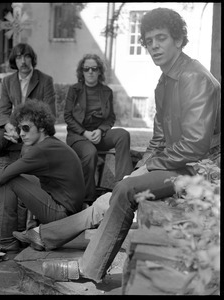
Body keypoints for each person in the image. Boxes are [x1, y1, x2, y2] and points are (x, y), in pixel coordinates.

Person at [31, 7, 221, 282]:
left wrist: (147, 169)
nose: (153, 46)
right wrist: (140, 168)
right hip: (180, 164)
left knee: (127, 189)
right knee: (125, 184)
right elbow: (158, 140)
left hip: (201, 170)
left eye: (161, 38)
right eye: (148, 40)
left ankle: (88, 268)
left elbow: (195, 146)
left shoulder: (194, 78)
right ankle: (50, 238)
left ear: (179, 40)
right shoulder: (164, 82)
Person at [0, 99, 85, 253]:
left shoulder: (42, 150)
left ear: (42, 127)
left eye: (26, 128)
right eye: (19, 128)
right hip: (65, 210)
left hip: (63, 216)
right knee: (14, 177)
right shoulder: (50, 145)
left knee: (10, 179)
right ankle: (21, 232)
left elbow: (8, 172)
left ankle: (5, 240)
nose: (21, 133)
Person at [0, 42, 56, 184]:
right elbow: (3, 111)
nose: (23, 61)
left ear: (32, 59)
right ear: (14, 60)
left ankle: (25, 195)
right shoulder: (8, 81)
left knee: (28, 152)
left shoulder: (45, 81)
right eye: (19, 57)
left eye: (27, 57)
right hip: (13, 128)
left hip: (34, 131)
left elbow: (50, 114)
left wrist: (25, 129)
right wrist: (9, 126)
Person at [64, 54, 133, 203]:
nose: (90, 72)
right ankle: (87, 199)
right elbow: (68, 117)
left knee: (123, 135)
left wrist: (101, 130)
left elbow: (110, 118)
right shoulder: (74, 90)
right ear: (81, 72)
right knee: (90, 153)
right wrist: (85, 133)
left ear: (99, 71)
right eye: (86, 69)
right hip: (79, 136)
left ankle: (123, 186)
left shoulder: (106, 91)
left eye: (94, 69)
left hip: (99, 134)